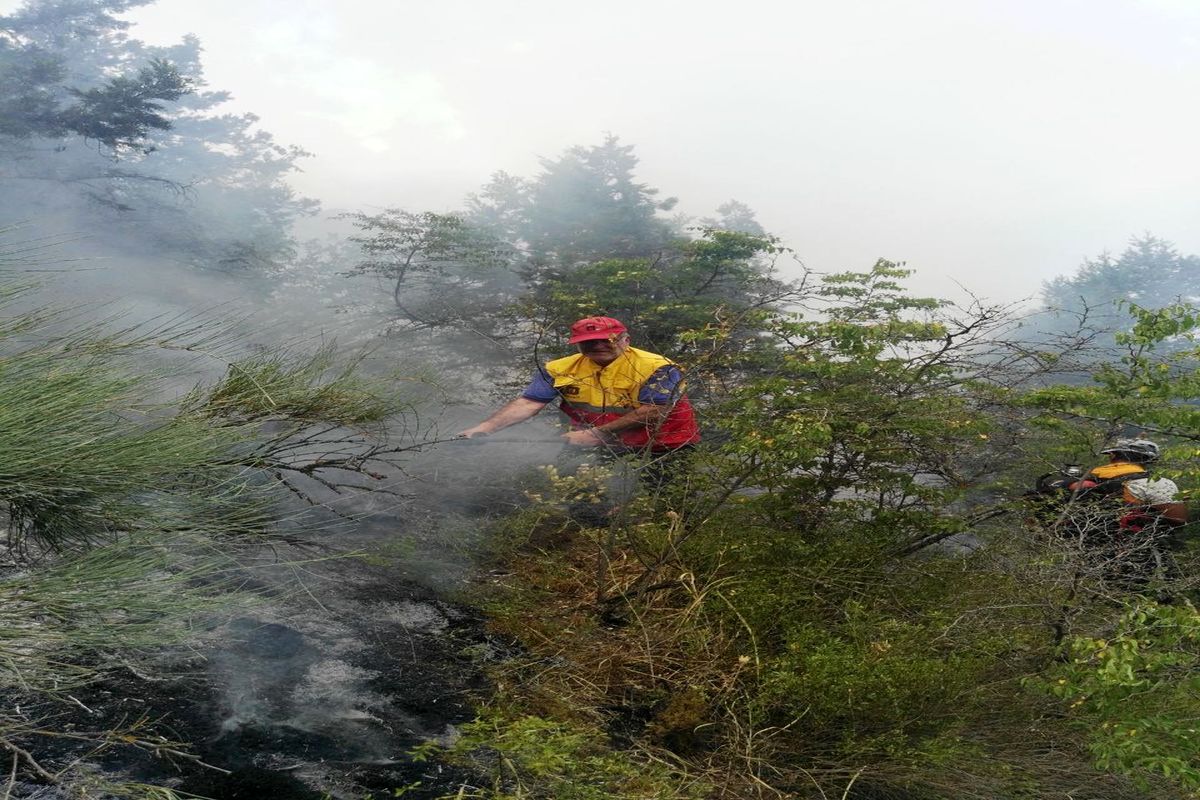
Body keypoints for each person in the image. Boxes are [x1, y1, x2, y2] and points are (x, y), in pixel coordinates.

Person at [456, 316, 700, 452]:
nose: (597, 346)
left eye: (606, 340)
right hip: (598, 442)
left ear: (626, 340)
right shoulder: (559, 369)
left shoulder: (658, 367)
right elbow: (528, 403)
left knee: (667, 508)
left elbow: (655, 410)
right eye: (588, 342)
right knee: (582, 499)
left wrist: (597, 432)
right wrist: (486, 428)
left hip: (664, 445)